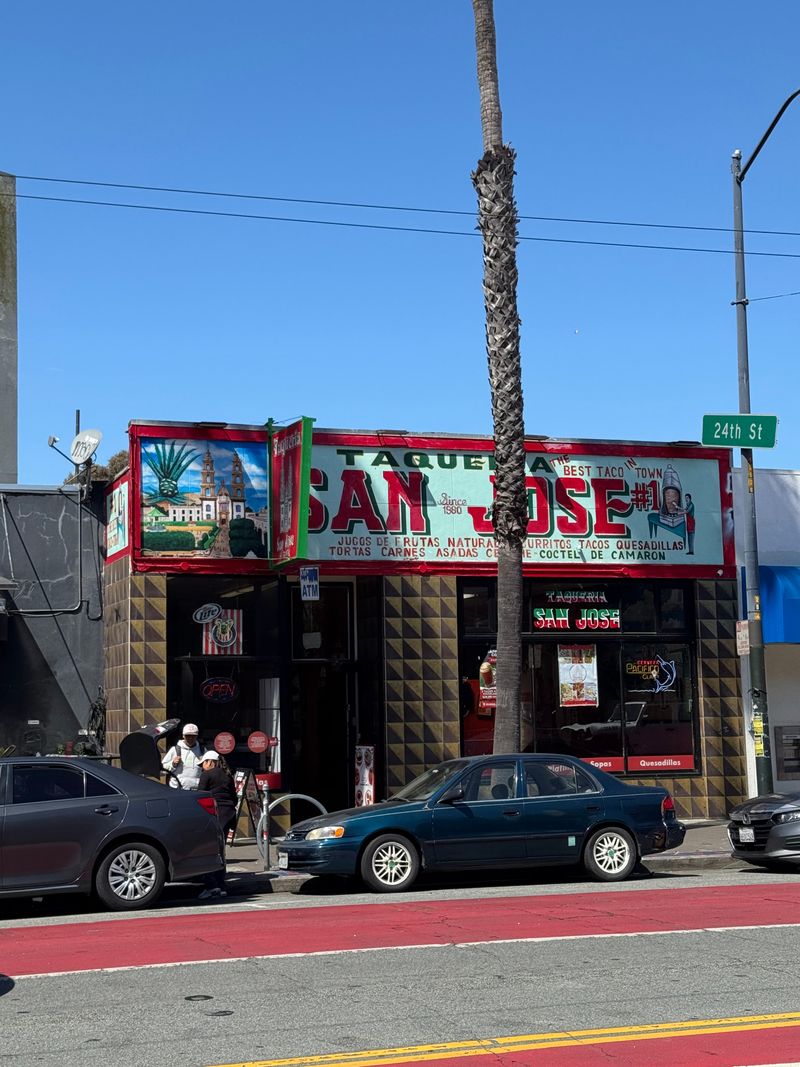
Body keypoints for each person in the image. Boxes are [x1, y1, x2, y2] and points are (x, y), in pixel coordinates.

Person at [197, 750, 238, 900]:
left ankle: (211, 886)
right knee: (221, 851)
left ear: (209, 762)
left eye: (203, 764)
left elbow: (200, 794)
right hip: (228, 814)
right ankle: (221, 886)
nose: (202, 767)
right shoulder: (227, 775)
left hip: (214, 815)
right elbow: (234, 798)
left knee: (209, 851)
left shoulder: (207, 775)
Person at [161, 723, 204, 790]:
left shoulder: (202, 750)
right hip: (177, 789)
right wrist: (173, 764)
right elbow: (162, 770)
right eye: (188, 735)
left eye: (193, 736)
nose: (190, 738)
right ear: (183, 736)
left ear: (197, 736)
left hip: (195, 790)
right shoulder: (175, 750)